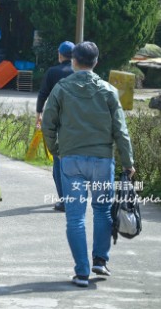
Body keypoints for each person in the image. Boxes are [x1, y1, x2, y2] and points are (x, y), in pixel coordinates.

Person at [41, 41, 135, 288]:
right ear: (96, 62)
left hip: (70, 159)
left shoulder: (61, 88)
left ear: (73, 60)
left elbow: (48, 123)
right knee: (103, 210)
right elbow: (120, 131)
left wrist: (56, 150)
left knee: (75, 217)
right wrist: (128, 162)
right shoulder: (107, 90)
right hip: (102, 160)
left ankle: (81, 272)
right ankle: (100, 261)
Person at [36, 40, 76, 212]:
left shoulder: (53, 72)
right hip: (79, 123)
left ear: (60, 54)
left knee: (58, 163)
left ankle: (65, 202)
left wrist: (39, 114)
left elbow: (43, 93)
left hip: (58, 123)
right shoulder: (79, 73)